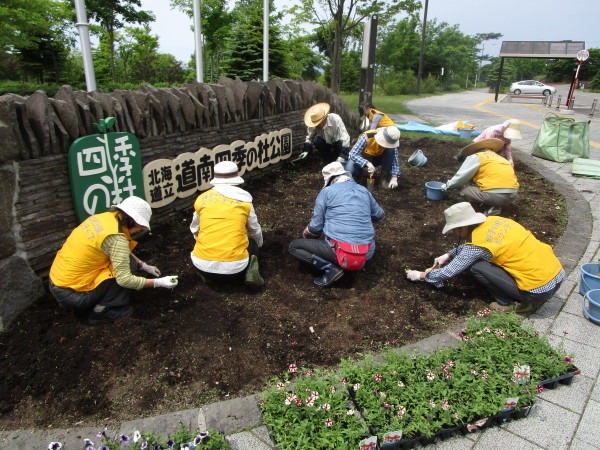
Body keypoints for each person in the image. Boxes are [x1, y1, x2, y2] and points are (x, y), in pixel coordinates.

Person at [405, 202, 564, 313]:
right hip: (556, 274)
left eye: (453, 229)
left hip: (536, 290)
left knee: (476, 267)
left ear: (462, 227)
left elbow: (449, 272)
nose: (453, 233)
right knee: (483, 259)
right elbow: (482, 244)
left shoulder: (476, 246)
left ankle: (509, 303)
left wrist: (421, 275)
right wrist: (448, 254)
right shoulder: (496, 220)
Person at [49, 196, 179, 325]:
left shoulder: (103, 219)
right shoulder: (116, 238)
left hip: (57, 281)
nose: (141, 230)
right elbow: (124, 279)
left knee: (127, 261)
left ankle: (97, 301)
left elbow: (120, 251)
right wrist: (159, 282)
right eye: (142, 227)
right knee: (126, 268)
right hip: (74, 296)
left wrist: (143, 265)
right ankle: (101, 311)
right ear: (136, 222)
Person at [289, 162, 384, 287]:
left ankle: (330, 269)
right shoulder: (363, 190)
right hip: (366, 253)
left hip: (343, 252)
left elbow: (315, 227)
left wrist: (306, 233)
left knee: (294, 247)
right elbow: (379, 215)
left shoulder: (327, 192)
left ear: (330, 180)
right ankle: (353, 262)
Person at [190, 161, 264, 288]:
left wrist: (200, 239)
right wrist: (259, 245)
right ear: (236, 177)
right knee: (252, 244)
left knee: (200, 247)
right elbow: (254, 230)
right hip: (235, 270)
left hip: (201, 264)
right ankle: (251, 273)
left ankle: (207, 276)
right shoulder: (244, 200)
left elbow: (195, 228)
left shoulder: (202, 199)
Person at [443, 138, 519, 216]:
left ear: (474, 151)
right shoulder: (501, 158)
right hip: (512, 195)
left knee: (465, 191)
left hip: (496, 196)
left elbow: (460, 178)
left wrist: (446, 186)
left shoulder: (477, 156)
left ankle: (491, 207)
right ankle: (494, 203)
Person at [345, 125, 401, 189]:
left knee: (390, 151)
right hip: (362, 158)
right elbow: (353, 154)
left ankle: (383, 178)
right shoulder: (367, 136)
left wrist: (394, 178)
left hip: (376, 159)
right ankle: (358, 175)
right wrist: (367, 163)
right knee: (350, 171)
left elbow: (394, 160)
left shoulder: (392, 142)